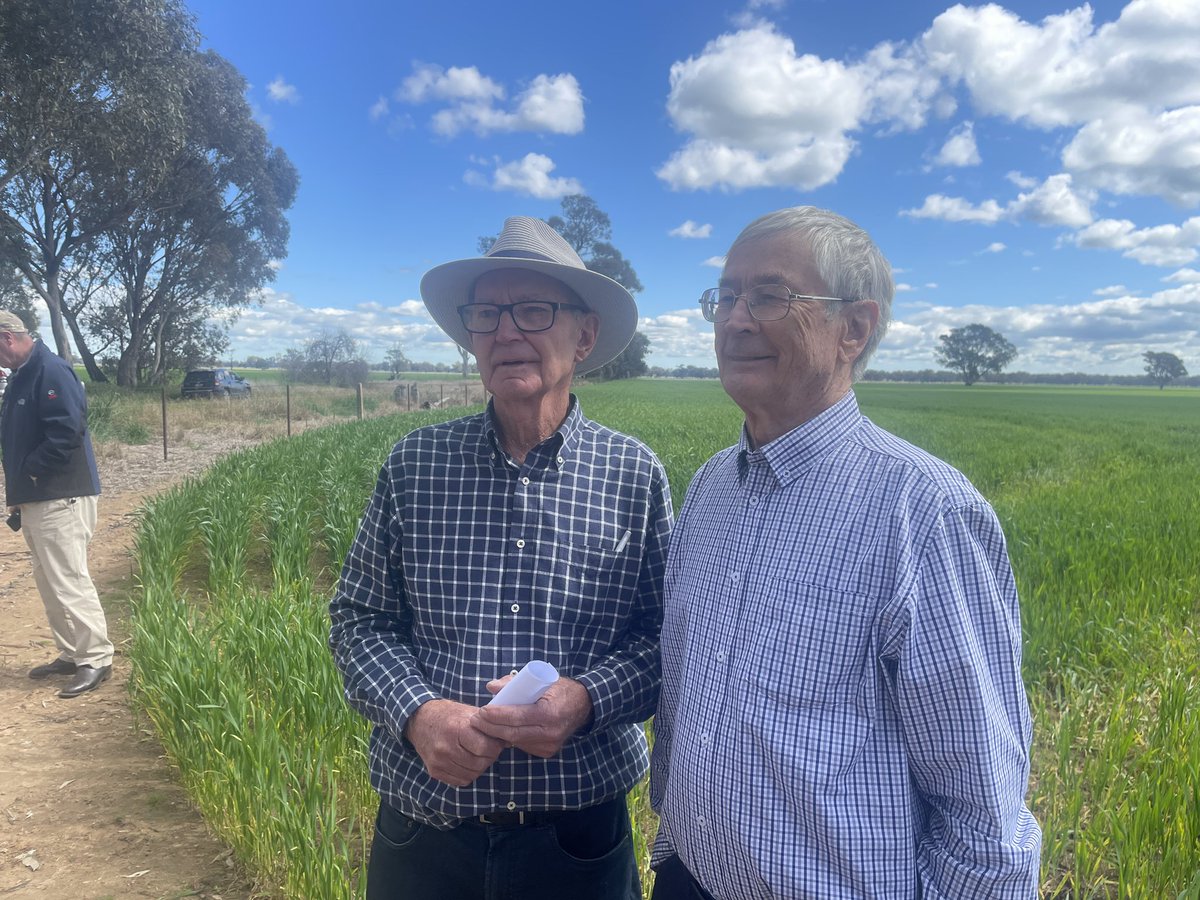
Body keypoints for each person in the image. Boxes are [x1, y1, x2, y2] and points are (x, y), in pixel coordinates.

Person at [649, 207, 1041, 898]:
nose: (735, 320)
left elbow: (985, 814)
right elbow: (689, 697)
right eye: (725, 296)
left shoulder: (925, 513)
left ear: (853, 330)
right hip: (689, 878)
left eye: (769, 296)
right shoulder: (711, 486)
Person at [329, 216, 673, 900]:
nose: (506, 331)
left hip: (576, 842)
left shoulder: (634, 475)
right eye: (486, 313)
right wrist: (418, 712)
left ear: (584, 336)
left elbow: (668, 637)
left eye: (533, 310)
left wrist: (587, 699)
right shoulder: (414, 466)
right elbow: (358, 620)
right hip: (423, 836)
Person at [0, 309, 113, 698]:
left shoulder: (51, 370)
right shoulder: (21, 376)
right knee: (49, 582)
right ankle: (70, 653)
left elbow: (67, 429)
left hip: (60, 496)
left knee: (68, 578)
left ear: (7, 338)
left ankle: (96, 658)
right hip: (36, 499)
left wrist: (30, 471)